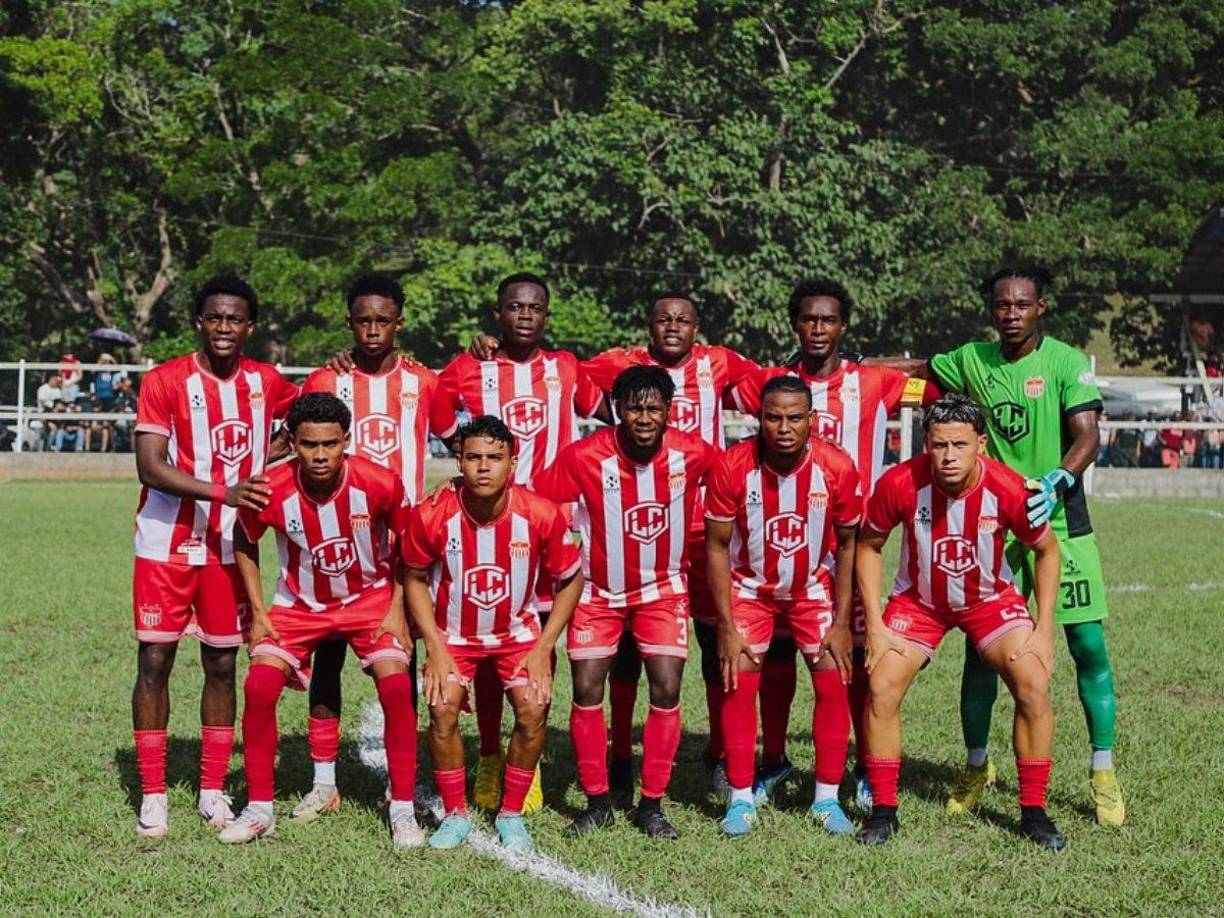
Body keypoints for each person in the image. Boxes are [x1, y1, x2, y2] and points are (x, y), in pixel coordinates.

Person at [468, 292, 760, 799]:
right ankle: (616, 761)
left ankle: (717, 756)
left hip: (700, 542)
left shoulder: (721, 368)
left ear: (698, 327)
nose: (672, 327)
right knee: (614, 664)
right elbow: (557, 370)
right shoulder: (610, 381)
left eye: (683, 320)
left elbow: (759, 431)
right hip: (611, 561)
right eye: (662, 318)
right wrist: (498, 348)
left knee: (711, 653)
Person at [871, 266, 1124, 826]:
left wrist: (1058, 480)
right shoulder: (971, 359)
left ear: (1041, 308)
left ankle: (1102, 770)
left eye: (1022, 304)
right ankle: (977, 764)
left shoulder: (1064, 361)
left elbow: (1087, 433)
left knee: (1085, 646)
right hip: (987, 519)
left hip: (1054, 519)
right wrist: (846, 370)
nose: (1011, 313)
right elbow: (915, 371)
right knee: (983, 652)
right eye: (1002, 305)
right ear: (992, 311)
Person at [728, 278, 937, 810]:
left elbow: (937, 378)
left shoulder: (873, 381)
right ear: (794, 324)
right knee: (773, 660)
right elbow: (704, 374)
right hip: (776, 547)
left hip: (851, 546)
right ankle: (772, 760)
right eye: (808, 320)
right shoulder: (768, 385)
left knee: (855, 660)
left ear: (843, 327)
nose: (817, 329)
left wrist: (881, 360)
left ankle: (865, 766)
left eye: (828, 320)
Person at [856, 394, 1065, 850]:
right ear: (925, 443)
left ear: (981, 445)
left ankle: (1034, 812)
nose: (949, 457)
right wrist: (875, 622)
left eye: (960, 445)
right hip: (920, 603)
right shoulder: (899, 483)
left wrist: (1045, 631)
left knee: (1033, 682)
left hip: (989, 601)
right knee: (881, 684)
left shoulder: (1009, 488)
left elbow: (1048, 552)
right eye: (938, 445)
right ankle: (883, 810)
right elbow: (868, 545)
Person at [129, 275, 298, 838]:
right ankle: (153, 793)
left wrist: (262, 458)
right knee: (155, 662)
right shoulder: (164, 380)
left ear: (250, 326)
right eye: (214, 318)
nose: (224, 328)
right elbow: (150, 465)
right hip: (165, 544)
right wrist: (224, 489)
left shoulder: (267, 382)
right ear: (198, 322)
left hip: (231, 548)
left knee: (222, 663)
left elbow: (311, 419)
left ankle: (210, 788)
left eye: (236, 319)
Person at [439, 272, 609, 815]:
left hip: (549, 526)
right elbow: (441, 415)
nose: (525, 316)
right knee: (488, 646)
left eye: (535, 308)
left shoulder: (566, 368)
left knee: (537, 648)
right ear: (498, 314)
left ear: (547, 315)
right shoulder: (469, 369)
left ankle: (525, 769)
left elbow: (613, 406)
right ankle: (490, 755)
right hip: (486, 523)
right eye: (515, 307)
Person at [293, 272, 459, 823]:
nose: (371, 330)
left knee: (399, 660)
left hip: (401, 541)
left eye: (382, 321)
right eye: (362, 321)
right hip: (332, 536)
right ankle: (323, 781)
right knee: (328, 656)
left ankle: (402, 785)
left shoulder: (424, 382)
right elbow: (295, 441)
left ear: (398, 323)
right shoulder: (324, 378)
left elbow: (453, 438)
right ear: (349, 323)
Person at [222, 393, 421, 846]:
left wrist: (396, 609)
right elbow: (242, 536)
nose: (319, 455)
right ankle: (259, 809)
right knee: (258, 687)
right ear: (292, 440)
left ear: (345, 441)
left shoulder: (379, 482)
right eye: (309, 444)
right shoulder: (270, 487)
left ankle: (403, 808)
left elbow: (410, 545)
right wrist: (256, 611)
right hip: (298, 606)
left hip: (370, 600)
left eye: (330, 444)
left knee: (394, 684)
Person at [534, 366, 718, 838]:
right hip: (597, 592)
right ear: (617, 408)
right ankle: (598, 802)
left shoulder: (693, 454)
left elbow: (735, 478)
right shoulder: (584, 456)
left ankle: (651, 804)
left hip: (664, 590)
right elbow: (539, 503)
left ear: (669, 411)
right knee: (587, 687)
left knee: (666, 687)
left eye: (653, 407)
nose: (643, 416)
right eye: (634, 406)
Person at [401, 415, 583, 850]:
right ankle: (457, 814)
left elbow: (571, 578)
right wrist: (436, 647)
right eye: (474, 457)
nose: (484, 467)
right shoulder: (432, 514)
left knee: (534, 707)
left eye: (494, 458)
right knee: (442, 709)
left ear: (512, 463)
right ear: (458, 462)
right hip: (454, 638)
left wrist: (544, 645)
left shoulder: (539, 514)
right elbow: (413, 577)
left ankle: (511, 813)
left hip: (518, 636)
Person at [705, 377, 862, 836]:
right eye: (774, 417)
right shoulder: (734, 466)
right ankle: (739, 799)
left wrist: (840, 621)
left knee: (834, 682)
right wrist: (726, 625)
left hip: (811, 589)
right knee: (739, 682)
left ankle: (827, 800)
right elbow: (715, 547)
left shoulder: (836, 467)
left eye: (795, 417)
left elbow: (849, 544)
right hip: (750, 591)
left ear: (812, 420)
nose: (784, 427)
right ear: (759, 419)